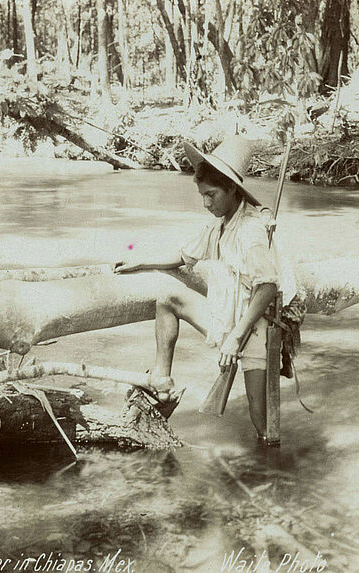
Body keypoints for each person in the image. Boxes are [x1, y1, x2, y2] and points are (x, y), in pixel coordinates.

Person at [114, 135, 298, 442]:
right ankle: (162, 385)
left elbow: (266, 287)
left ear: (231, 189)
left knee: (262, 421)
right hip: (227, 316)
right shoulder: (220, 224)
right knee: (168, 300)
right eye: (202, 195)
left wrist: (236, 337)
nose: (206, 202)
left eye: (211, 195)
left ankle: (274, 478)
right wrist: (139, 262)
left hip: (255, 326)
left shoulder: (251, 230)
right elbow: (184, 256)